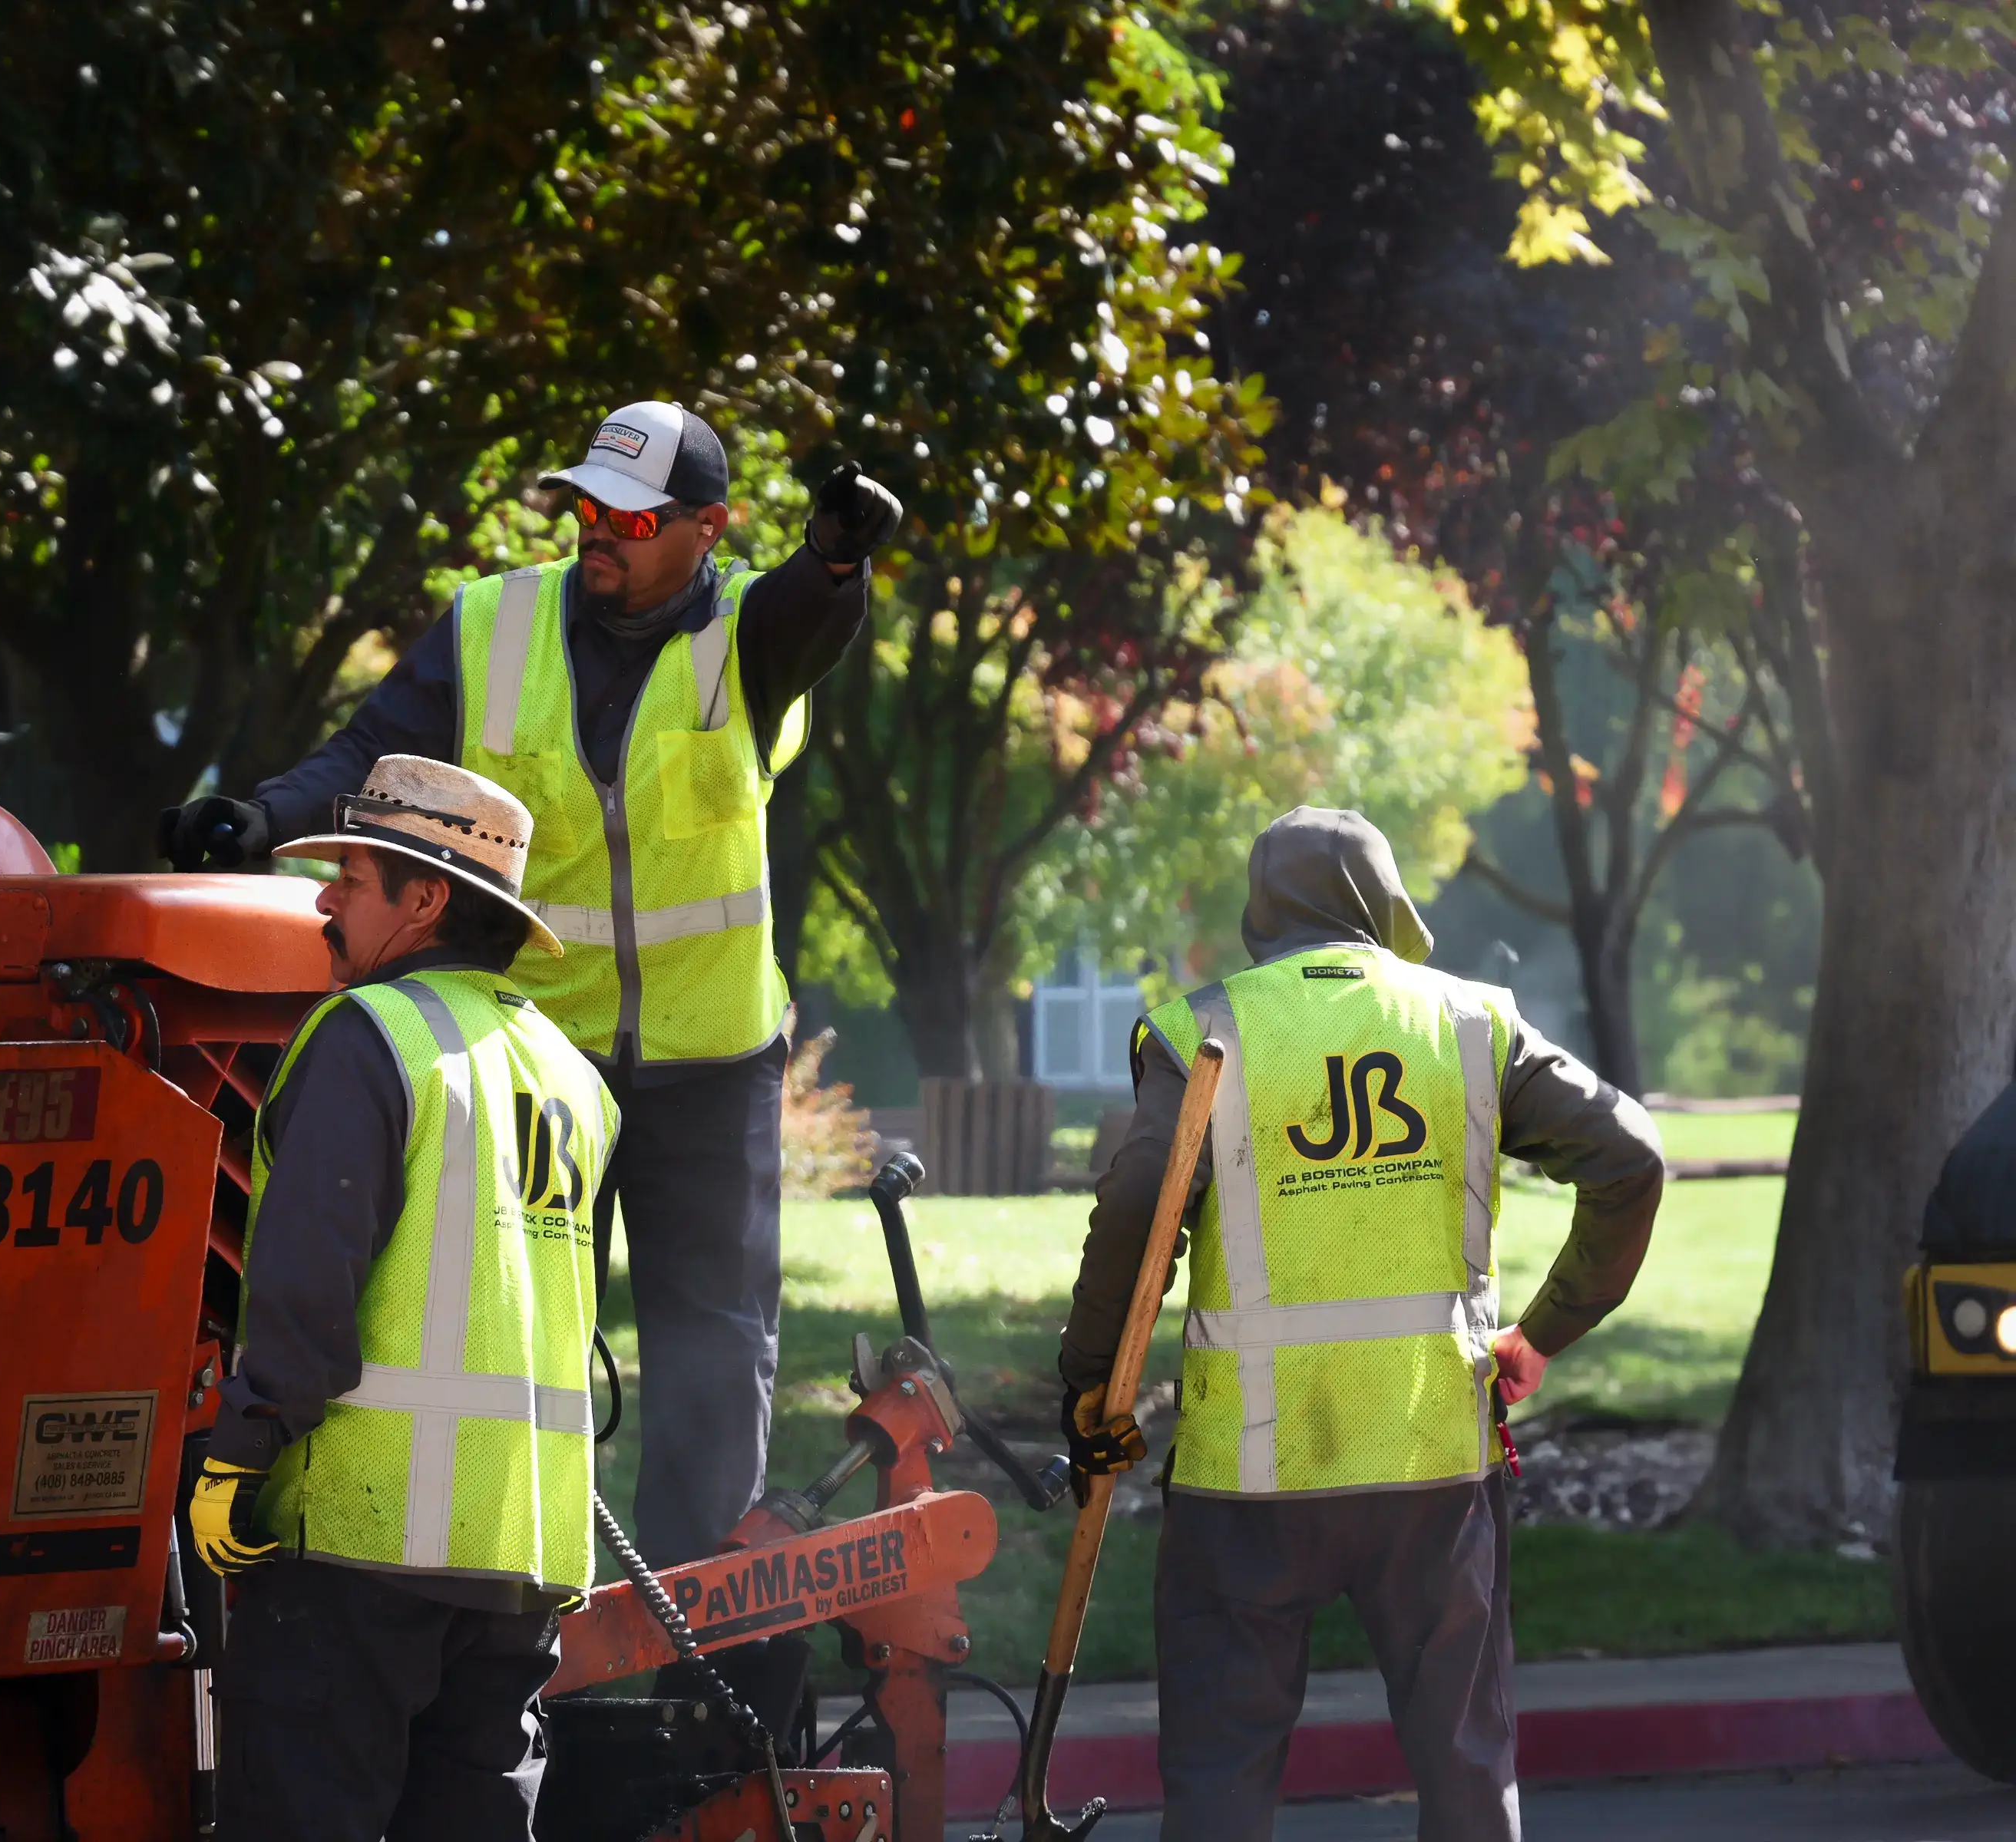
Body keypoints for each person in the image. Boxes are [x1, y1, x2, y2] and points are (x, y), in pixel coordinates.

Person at [163, 401, 901, 1593]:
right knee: (525, 1332)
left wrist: (835, 561)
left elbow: (807, 617)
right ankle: (539, 1594)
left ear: (707, 529)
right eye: (583, 505)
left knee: (716, 1358)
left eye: (628, 516)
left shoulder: (744, 643)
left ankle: (687, 1625)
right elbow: (368, 759)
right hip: (547, 1061)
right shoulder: (493, 626)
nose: (594, 531)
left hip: (711, 1066)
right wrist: (263, 817)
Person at [1059, 807, 1666, 1842]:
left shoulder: (1203, 1030)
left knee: (1220, 1778)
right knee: (1466, 1769)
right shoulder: (1471, 1023)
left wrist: (1090, 1389)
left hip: (1246, 1480)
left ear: (1261, 914)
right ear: (1386, 906)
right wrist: (1546, 1330)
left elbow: (1133, 1214)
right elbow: (1631, 1157)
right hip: (1432, 1463)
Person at [187, 754, 620, 1841]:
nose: (325, 900)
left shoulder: (369, 1038)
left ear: (426, 899)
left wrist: (237, 1457)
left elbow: (306, 1293)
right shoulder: (572, 1076)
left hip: (357, 1559)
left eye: (352, 876)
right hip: (519, 1559)